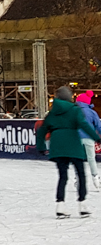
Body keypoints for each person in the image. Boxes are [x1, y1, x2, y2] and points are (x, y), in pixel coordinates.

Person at [38, 86, 101, 217]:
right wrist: (97, 138)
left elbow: (42, 130)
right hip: (73, 145)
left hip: (57, 147)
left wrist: (41, 146)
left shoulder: (52, 113)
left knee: (63, 176)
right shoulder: (74, 110)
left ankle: (60, 206)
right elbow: (84, 125)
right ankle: (82, 204)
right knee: (81, 174)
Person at [75, 91, 101, 187]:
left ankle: (78, 178)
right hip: (89, 137)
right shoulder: (92, 112)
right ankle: (95, 178)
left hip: (76, 139)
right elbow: (99, 126)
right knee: (91, 159)